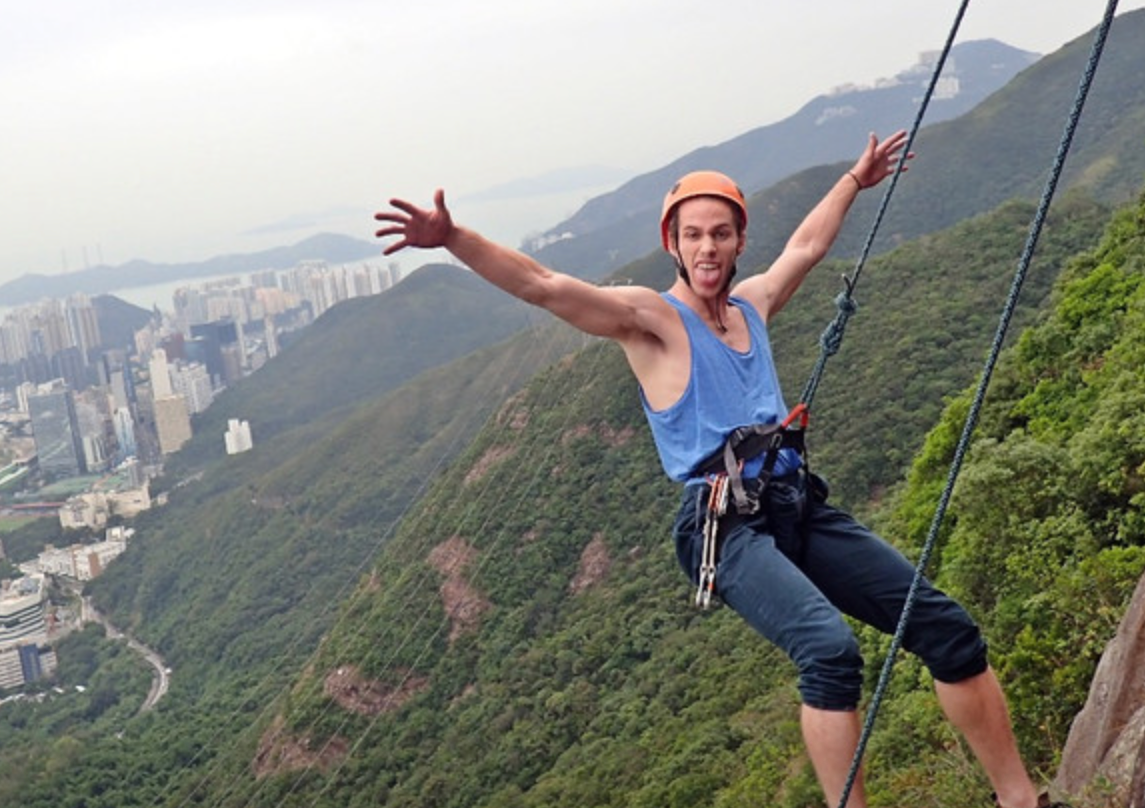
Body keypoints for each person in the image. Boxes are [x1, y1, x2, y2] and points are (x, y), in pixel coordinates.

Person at [375, 132, 1060, 808]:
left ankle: (1021, 801)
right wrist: (454, 237)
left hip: (794, 503)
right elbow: (544, 285)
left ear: (738, 243)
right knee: (830, 653)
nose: (708, 247)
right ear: (672, 242)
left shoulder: (752, 307)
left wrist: (854, 180)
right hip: (724, 527)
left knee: (946, 628)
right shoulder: (651, 321)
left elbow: (807, 248)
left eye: (722, 233)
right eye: (694, 234)